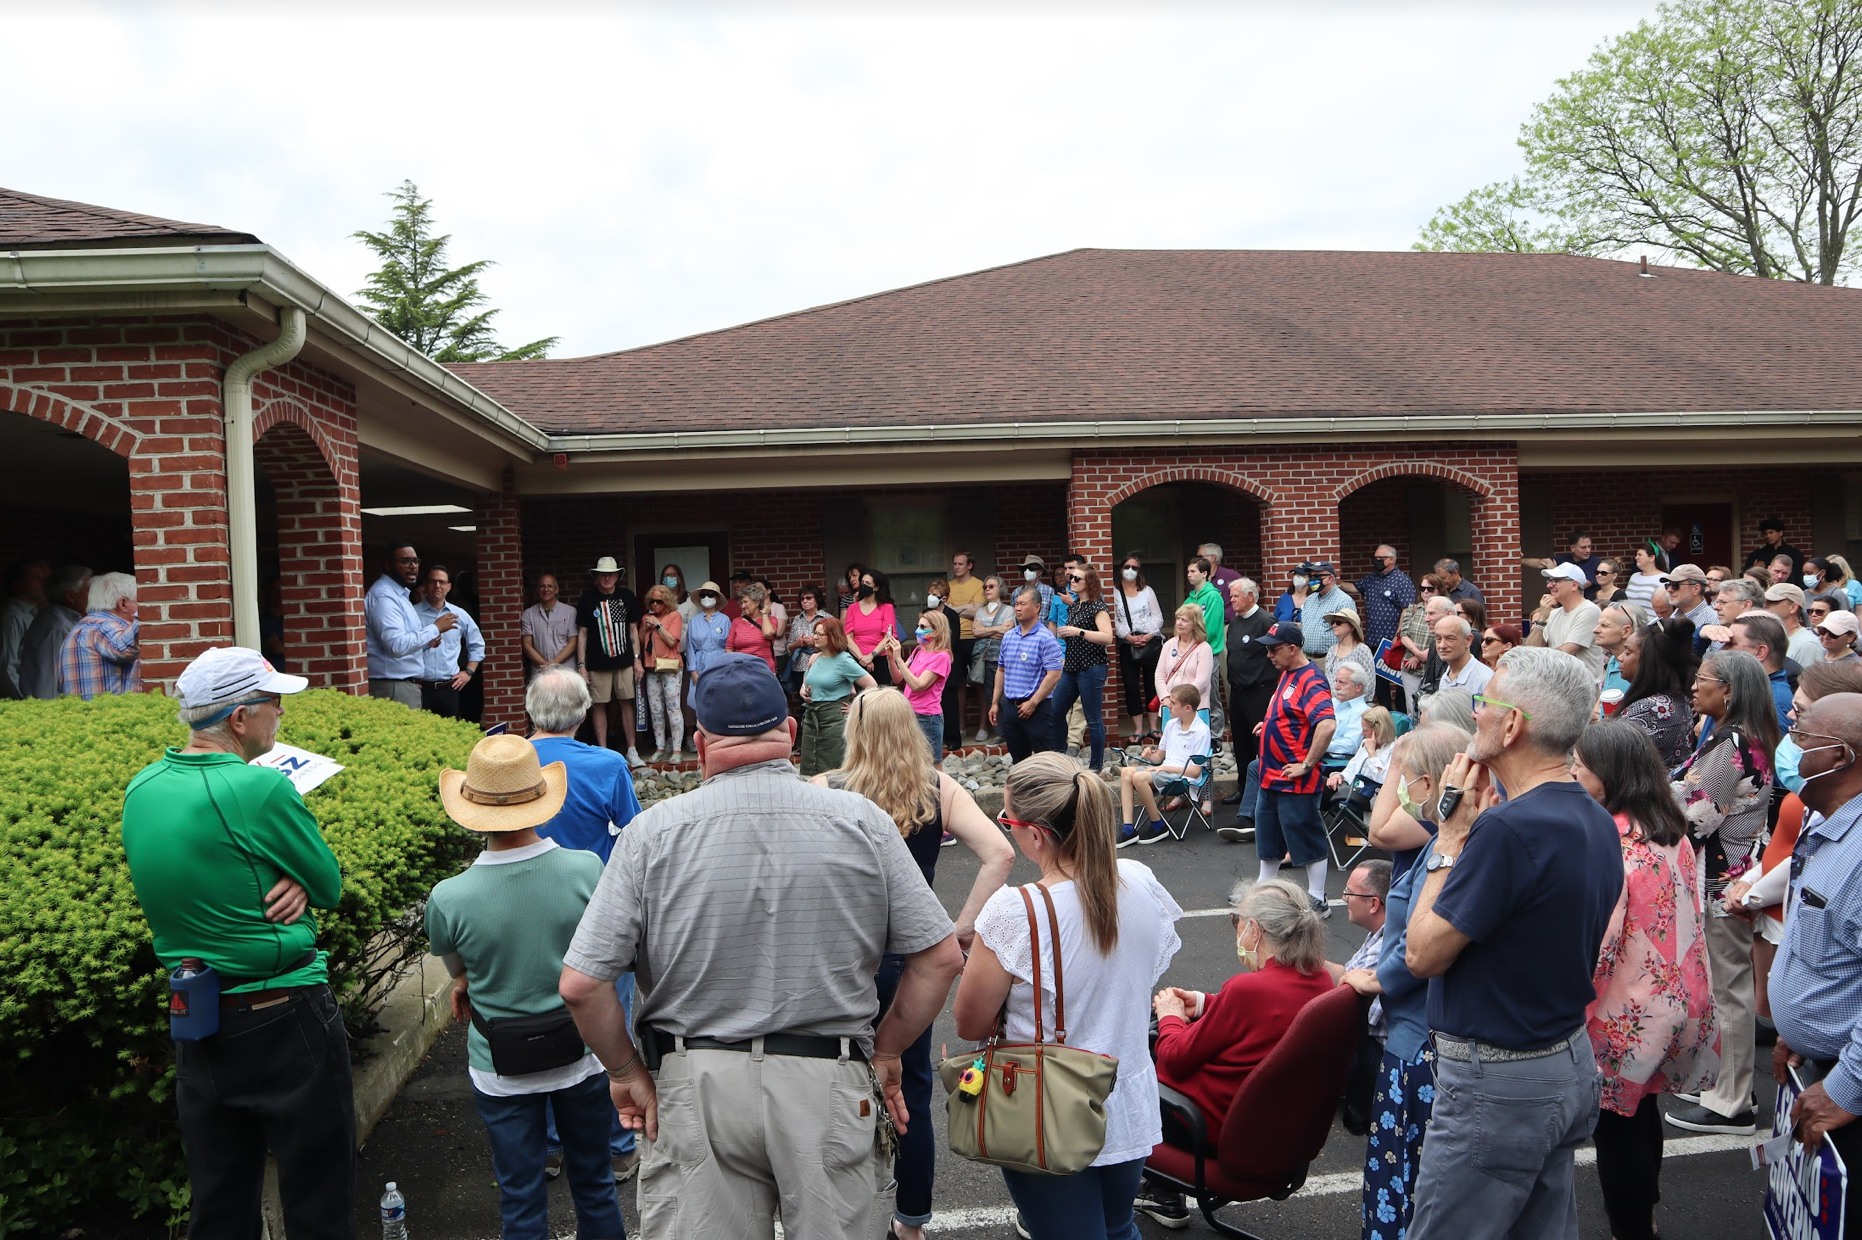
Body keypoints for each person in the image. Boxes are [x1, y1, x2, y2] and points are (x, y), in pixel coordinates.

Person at [559, 654, 962, 1240]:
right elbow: (941, 957)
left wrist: (624, 1071)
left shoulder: (651, 835)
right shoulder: (862, 822)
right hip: (828, 1074)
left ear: (699, 744)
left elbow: (581, 984)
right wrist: (889, 1050)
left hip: (693, 1081)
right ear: (791, 734)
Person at [119, 647, 352, 1240]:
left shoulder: (142, 788)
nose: (281, 713)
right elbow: (328, 884)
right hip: (283, 1014)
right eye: (273, 702)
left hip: (195, 1016)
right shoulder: (259, 790)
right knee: (318, 1198)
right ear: (240, 719)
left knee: (220, 1202)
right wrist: (298, 876)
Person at [1403, 648, 1624, 1240]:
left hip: (1499, 1083)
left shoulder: (1507, 829)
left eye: (1484, 702)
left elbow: (1421, 953)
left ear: (1511, 725)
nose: (1475, 714)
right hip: (1561, 1059)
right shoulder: (1593, 817)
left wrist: (1450, 838)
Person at [953, 753, 1183, 1240]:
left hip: (1047, 1101)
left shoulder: (1016, 912)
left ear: (1035, 834)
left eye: (1006, 819)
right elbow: (1134, 977)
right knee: (1119, 1227)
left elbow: (970, 1024)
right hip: (1127, 1095)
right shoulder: (1140, 881)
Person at [813, 688, 1015, 1240]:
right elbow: (1000, 852)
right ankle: (911, 1221)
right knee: (911, 1087)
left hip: (845, 958)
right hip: (912, 958)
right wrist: (961, 927)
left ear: (855, 732)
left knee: (833, 1081)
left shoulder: (828, 788)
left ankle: (841, 1211)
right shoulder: (938, 788)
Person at [425, 734, 627, 1239]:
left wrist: (463, 980)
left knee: (519, 1196)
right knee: (596, 1184)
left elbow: (456, 965)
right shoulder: (585, 869)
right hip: (581, 1050)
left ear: (471, 809)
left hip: (500, 1062)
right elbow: (604, 953)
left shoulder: (449, 897)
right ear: (540, 800)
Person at [1571, 721, 1718, 1240]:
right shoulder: (1666, 825)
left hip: (1625, 1006)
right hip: (1675, 992)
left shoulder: (1613, 842)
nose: (1571, 772)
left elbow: (1600, 942)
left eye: (1581, 767)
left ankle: (1633, 1227)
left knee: (1618, 1127)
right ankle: (1643, 1215)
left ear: (1610, 776)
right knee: (1642, 1110)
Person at [1135, 878, 1332, 1230]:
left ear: (1254, 930)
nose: (1236, 929)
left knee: (1129, 1071)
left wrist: (1169, 1018)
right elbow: (1266, 1016)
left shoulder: (1248, 989)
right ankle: (1161, 1193)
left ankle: (1134, 1192)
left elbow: (1176, 1057)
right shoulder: (1318, 981)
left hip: (1209, 1128)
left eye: (1236, 920)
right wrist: (1205, 1002)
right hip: (1276, 1134)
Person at [1349, 728, 1466, 1240]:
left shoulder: (1446, 847)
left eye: (1406, 777)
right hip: (1417, 1029)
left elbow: (1422, 939)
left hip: (1418, 1037)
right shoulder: (1437, 837)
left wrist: (1379, 979)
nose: (1397, 789)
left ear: (1430, 780)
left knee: (1405, 1179)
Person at [1664, 648, 1778, 1137]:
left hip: (1720, 882)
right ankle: (1726, 1085)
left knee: (1728, 991)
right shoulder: (1737, 738)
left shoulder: (1732, 745)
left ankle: (1732, 1102)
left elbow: (1695, 818)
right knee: (1722, 988)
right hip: (1730, 875)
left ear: (1728, 689)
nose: (1694, 686)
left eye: (1704, 679)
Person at [1767, 691, 1862, 1227]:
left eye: (1802, 736)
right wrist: (1794, 1028)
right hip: (1822, 1064)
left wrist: (1848, 1086)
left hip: (1848, 1086)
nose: (1790, 746)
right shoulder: (1825, 817)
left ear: (1839, 757)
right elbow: (1825, 946)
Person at [1248, 622, 1338, 916]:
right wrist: (1269, 723)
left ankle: (1317, 898)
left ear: (1292, 649)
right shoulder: (1287, 674)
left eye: (1274, 649)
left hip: (1294, 777)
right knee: (1268, 833)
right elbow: (1288, 711)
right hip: (1272, 774)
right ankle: (1265, 887)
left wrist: (1306, 764)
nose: (1269, 655)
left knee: (1304, 833)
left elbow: (1326, 724)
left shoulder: (1312, 679)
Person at [1117, 684, 1211, 846]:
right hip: (1165, 771)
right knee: (1126, 772)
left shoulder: (1201, 731)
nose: (1167, 705)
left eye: (1173, 703)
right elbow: (1159, 757)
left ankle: (1157, 825)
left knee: (1139, 777)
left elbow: (1195, 772)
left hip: (1182, 777)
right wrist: (1151, 755)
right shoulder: (1171, 725)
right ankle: (1128, 829)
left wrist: (1163, 767)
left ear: (1187, 708)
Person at [576, 556, 645, 767]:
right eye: (603, 574)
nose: (607, 578)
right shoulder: (588, 599)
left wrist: (637, 660)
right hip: (597, 663)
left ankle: (632, 750)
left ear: (617, 576)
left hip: (624, 661)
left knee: (626, 703)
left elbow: (633, 630)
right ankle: (603, 751)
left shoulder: (627, 597)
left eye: (611, 574)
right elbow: (582, 634)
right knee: (598, 705)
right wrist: (581, 665)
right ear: (596, 577)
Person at [366, 542, 454, 707]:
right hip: (392, 687)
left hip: (402, 686)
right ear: (388, 565)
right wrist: (435, 627)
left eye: (416, 561)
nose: (413, 566)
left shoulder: (400, 594)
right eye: (406, 561)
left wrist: (426, 644)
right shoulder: (384, 597)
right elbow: (396, 645)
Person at [796, 615, 879, 776]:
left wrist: (856, 708)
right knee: (811, 770)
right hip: (811, 719)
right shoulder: (814, 658)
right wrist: (803, 691)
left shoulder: (844, 660)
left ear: (832, 636)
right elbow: (805, 683)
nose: (815, 637)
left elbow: (872, 685)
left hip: (833, 720)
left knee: (834, 769)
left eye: (820, 634)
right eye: (815, 633)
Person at [990, 585, 1066, 763]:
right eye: (1016, 604)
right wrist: (994, 703)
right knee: (1018, 760)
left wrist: (1033, 703)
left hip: (1038, 708)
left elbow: (1054, 675)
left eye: (1023, 604)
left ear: (1037, 607)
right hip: (1010, 707)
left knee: (1045, 760)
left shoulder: (1045, 638)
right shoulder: (1008, 637)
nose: (1017, 608)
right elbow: (1001, 670)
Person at [1051, 565, 1115, 770]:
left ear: (1089, 583)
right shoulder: (1075, 605)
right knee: (1055, 711)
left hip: (1092, 667)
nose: (1072, 580)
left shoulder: (1098, 607)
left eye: (1077, 579)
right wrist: (1066, 633)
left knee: (1093, 717)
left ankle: (1095, 766)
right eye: (1072, 577)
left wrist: (1078, 632)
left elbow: (1107, 637)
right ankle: (1060, 757)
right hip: (1071, 667)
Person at [1615, 617, 1698, 770]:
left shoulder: (1647, 708)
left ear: (1648, 660)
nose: (1620, 658)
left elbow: (1605, 758)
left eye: (1627, 652)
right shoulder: (1678, 696)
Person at [1226, 578, 1276, 804]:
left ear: (1251, 596)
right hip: (1237, 692)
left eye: (1236, 596)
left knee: (1260, 743)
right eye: (1231, 595)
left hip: (1259, 692)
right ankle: (1244, 788)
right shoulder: (1235, 623)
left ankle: (1264, 791)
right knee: (1241, 744)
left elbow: (1277, 654)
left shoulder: (1266, 621)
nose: (1232, 600)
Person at [412, 564, 484, 718]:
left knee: (449, 734)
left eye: (442, 582)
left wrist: (469, 672)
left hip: (449, 688)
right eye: (433, 581)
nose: (437, 585)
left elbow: (477, 644)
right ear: (425, 585)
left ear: (449, 587)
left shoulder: (459, 615)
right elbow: (402, 647)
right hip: (420, 688)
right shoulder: (412, 613)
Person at [884, 609, 955, 761]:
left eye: (923, 627)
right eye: (918, 626)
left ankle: (938, 786)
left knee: (931, 764)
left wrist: (899, 658)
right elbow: (898, 679)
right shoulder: (918, 650)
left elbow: (918, 685)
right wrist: (891, 658)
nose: (917, 630)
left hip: (927, 717)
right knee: (912, 762)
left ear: (936, 632)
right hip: (910, 713)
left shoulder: (942, 656)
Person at [58, 570, 140, 699]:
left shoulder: (80, 628)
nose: (142, 606)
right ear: (123, 603)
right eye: (140, 601)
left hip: (82, 716)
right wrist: (148, 613)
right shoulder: (103, 625)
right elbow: (125, 648)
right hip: (112, 716)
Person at [1113, 553, 1165, 742]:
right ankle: (1137, 728)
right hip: (1128, 645)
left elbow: (1158, 617)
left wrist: (1149, 635)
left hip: (1150, 643)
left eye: (1135, 567)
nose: (1130, 571)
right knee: (1131, 687)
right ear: (1121, 569)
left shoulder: (1147, 591)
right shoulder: (1115, 593)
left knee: (1152, 685)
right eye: (1127, 566)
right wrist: (1128, 637)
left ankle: (1153, 727)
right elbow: (1115, 621)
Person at [17, 563, 89, 700]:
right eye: (88, 591)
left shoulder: (64, 622)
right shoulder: (56, 627)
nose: (93, 596)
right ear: (71, 596)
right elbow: (47, 687)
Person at [1526, 563, 1604, 677]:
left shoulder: (1589, 610)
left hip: (1581, 690)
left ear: (1574, 585)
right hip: (1556, 686)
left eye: (1556, 581)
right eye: (1549, 581)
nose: (1549, 586)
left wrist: (1536, 659)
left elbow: (1566, 652)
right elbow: (1530, 651)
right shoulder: (1553, 614)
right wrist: (1542, 619)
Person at [945, 551, 987, 745]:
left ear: (969, 565)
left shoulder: (979, 585)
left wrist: (957, 609)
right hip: (954, 640)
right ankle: (960, 727)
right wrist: (966, 608)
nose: (956, 567)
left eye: (960, 564)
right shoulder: (949, 586)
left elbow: (978, 610)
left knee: (979, 683)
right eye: (954, 564)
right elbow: (946, 612)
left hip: (975, 638)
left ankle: (983, 727)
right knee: (958, 684)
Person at [1729, 610, 1795, 731]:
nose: (1722, 649)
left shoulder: (1772, 704)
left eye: (1731, 643)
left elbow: (1773, 749)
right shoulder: (1754, 689)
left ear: (1760, 652)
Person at [640, 585, 685, 761]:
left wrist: (658, 625)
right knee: (656, 710)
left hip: (670, 668)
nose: (655, 604)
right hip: (651, 668)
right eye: (652, 601)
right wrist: (645, 627)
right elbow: (640, 640)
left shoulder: (675, 616)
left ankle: (677, 750)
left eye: (659, 601)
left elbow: (672, 641)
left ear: (667, 602)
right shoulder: (646, 617)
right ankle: (660, 747)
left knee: (673, 708)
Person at [1184, 557, 1226, 733]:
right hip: (1189, 655)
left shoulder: (1213, 597)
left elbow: (1210, 628)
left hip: (1208, 654)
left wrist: (1191, 640)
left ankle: (1215, 736)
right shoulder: (1189, 599)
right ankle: (1196, 734)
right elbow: (1181, 623)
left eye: (1193, 571)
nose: (1189, 575)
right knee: (1192, 696)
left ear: (1204, 573)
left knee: (1211, 696)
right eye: (1188, 571)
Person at [971, 576, 1014, 743]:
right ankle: (1000, 732)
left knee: (1005, 696)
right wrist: (997, 630)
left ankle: (1011, 732)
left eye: (991, 586)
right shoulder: (980, 611)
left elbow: (1008, 631)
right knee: (990, 696)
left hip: (1003, 658)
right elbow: (975, 632)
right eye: (985, 587)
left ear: (1000, 589)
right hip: (985, 658)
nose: (987, 589)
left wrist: (985, 629)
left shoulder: (1008, 610)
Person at [1357, 544, 1416, 663]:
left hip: (1390, 640)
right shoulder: (1371, 578)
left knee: (1392, 675)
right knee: (1376, 679)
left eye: (1381, 558)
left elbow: (1407, 609)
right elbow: (1354, 588)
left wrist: (1398, 635)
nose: (1377, 561)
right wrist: (1336, 583)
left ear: (1391, 560)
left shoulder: (1402, 581)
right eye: (1375, 558)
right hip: (1372, 639)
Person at [681, 580, 732, 719]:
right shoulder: (694, 621)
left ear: (717, 597)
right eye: (703, 595)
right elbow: (690, 648)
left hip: (720, 664)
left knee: (721, 701)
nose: (706, 598)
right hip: (700, 664)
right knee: (702, 703)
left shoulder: (725, 620)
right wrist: (693, 672)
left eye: (710, 594)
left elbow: (729, 645)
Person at [522, 573, 580, 682]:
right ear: (537, 590)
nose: (546, 589)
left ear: (556, 589)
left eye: (550, 586)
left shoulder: (570, 612)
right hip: (540, 674)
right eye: (542, 586)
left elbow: (573, 643)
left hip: (566, 672)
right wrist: (545, 665)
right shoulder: (528, 614)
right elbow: (527, 645)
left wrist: (553, 664)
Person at [845, 568, 899, 687]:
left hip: (880, 658)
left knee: (880, 697)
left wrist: (871, 656)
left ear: (876, 587)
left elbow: (888, 636)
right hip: (857, 659)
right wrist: (862, 658)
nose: (864, 586)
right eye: (862, 582)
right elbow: (848, 637)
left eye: (868, 583)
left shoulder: (886, 607)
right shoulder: (852, 608)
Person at [1, 557, 48, 694]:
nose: (43, 583)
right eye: (36, 578)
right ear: (17, 584)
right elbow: (6, 666)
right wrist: (25, 701)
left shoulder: (34, 613)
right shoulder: (12, 616)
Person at [1298, 561, 1355, 660]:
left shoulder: (1343, 601)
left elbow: (1348, 635)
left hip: (1330, 658)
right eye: (1311, 576)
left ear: (1330, 578)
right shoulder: (1309, 599)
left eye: (1317, 576)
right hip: (1307, 658)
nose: (1312, 579)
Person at [782, 583, 827, 695]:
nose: (805, 601)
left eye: (808, 598)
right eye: (802, 599)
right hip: (799, 668)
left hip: (821, 666)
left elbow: (835, 645)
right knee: (803, 702)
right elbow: (788, 647)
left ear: (817, 600)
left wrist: (814, 643)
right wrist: (797, 644)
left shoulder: (827, 618)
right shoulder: (797, 619)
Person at [726, 581, 780, 674]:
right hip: (742, 671)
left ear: (757, 602)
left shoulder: (771, 620)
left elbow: (768, 634)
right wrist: (736, 665)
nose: (742, 606)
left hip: (765, 670)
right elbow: (729, 647)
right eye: (741, 602)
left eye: (745, 602)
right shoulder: (736, 622)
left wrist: (764, 614)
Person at [1431, 614, 1493, 695]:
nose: (1442, 645)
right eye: (1438, 639)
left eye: (1450, 638)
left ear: (1468, 640)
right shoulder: (1445, 677)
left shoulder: (1486, 680)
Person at [1766, 582, 1824, 668]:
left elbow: (1807, 680)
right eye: (1766, 600)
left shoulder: (1807, 644)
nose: (1766, 605)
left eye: (1773, 601)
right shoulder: (1768, 637)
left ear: (1793, 608)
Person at [1524, 530, 1601, 593]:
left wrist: (1554, 571)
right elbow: (1541, 563)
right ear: (1572, 548)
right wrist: (1518, 560)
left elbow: (1581, 585)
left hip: (1586, 604)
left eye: (1589, 546)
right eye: (1583, 547)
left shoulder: (1595, 562)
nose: (1588, 550)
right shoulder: (1564, 559)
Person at [1324, 608, 1374, 699]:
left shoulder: (1362, 650)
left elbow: (1369, 685)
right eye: (1333, 622)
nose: (1334, 625)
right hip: (1331, 704)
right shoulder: (1331, 650)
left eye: (1338, 622)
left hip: (1354, 705)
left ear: (1351, 627)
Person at [1624, 545, 1665, 612]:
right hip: (1633, 621)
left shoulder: (1663, 578)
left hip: (1651, 621)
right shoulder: (1634, 577)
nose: (1636, 557)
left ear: (1652, 558)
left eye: (1640, 555)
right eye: (1636, 555)